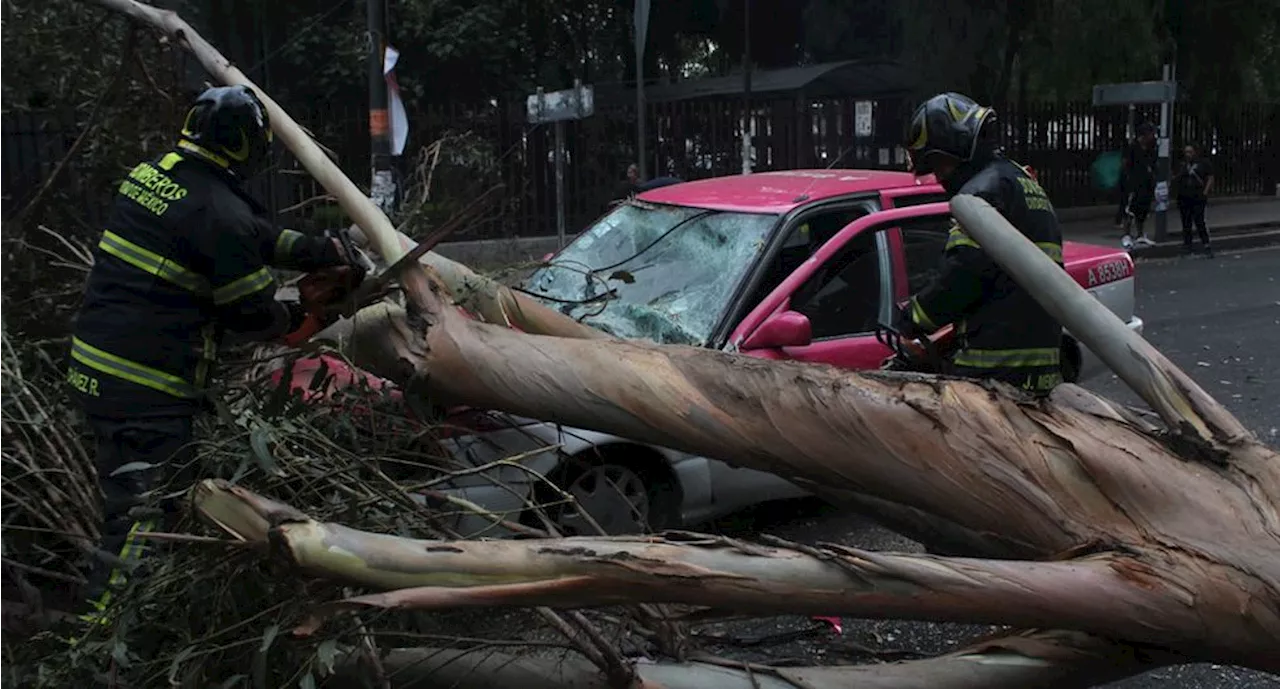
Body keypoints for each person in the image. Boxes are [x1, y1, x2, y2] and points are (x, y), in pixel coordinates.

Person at [65, 85, 364, 620]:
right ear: (250, 146)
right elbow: (250, 313)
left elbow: (251, 235)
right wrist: (305, 317)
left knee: (148, 499)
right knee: (143, 517)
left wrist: (322, 250)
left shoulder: (157, 175)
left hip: (99, 369)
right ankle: (94, 639)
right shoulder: (218, 212)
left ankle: (149, 617)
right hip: (144, 387)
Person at [898, 92, 1065, 396]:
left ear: (958, 148)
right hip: (1039, 369)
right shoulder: (1020, 182)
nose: (938, 176)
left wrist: (915, 316)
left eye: (938, 163)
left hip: (996, 372)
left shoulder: (981, 194)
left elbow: (963, 273)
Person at [1120, 122, 1158, 250]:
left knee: (1142, 210)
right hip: (1133, 183)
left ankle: (1140, 234)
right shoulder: (1132, 148)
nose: (1153, 136)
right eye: (1151, 133)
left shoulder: (1151, 149)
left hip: (1146, 184)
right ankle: (1126, 235)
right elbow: (1125, 164)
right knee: (1129, 210)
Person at [1175, 143, 1215, 257]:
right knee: (1186, 222)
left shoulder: (1203, 163)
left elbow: (1210, 178)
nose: (1188, 155)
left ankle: (1206, 244)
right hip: (1184, 196)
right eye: (1186, 152)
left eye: (1190, 152)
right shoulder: (1183, 165)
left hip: (1198, 196)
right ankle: (1188, 245)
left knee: (1199, 221)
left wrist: (1205, 192)